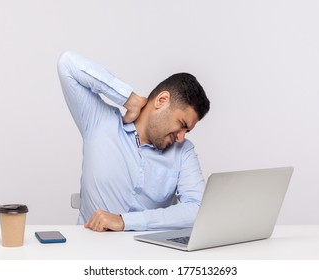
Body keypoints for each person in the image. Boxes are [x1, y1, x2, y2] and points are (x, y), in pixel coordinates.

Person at [57, 51, 210, 232]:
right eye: (181, 124)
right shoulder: (100, 123)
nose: (181, 137)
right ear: (162, 100)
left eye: (187, 130)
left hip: (149, 254)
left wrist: (124, 221)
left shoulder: (183, 151)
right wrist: (128, 98)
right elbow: (67, 63)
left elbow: (197, 210)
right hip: (92, 250)